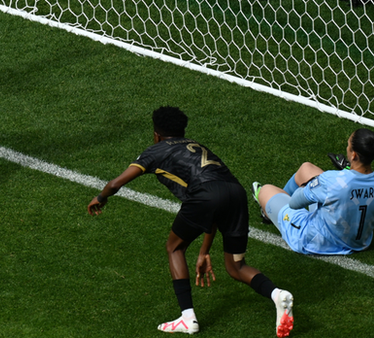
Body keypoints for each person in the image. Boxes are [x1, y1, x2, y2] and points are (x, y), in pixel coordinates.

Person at [88, 107, 293, 336]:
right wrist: (204, 251)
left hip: (205, 197)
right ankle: (277, 294)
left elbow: (116, 183)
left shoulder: (155, 151)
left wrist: (101, 198)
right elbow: (217, 200)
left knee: (174, 247)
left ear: (156, 134)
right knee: (236, 266)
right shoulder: (197, 146)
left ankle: (188, 317)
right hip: (236, 194)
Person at [253, 128, 374, 255]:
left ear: (354, 155)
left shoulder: (331, 180)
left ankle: (269, 214)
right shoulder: (336, 180)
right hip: (359, 242)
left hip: (315, 241)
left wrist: (310, 187)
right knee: (306, 168)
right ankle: (277, 211)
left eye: (348, 146)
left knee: (265, 190)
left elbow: (294, 203)